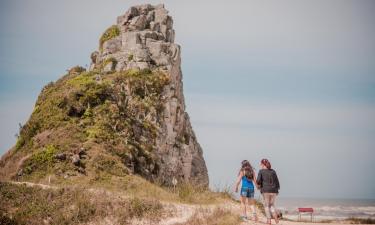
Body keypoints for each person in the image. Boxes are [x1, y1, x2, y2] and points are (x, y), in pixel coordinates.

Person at [257, 158, 280, 225]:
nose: (260, 165)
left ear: (263, 164)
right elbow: (277, 181)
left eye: (261, 164)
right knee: (272, 205)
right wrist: (277, 190)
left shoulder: (261, 171)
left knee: (267, 206)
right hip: (274, 190)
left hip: (265, 190)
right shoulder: (273, 171)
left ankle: (269, 221)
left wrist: (259, 185)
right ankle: (275, 217)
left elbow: (258, 181)